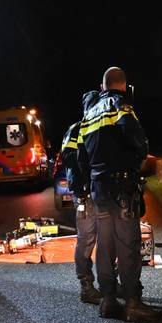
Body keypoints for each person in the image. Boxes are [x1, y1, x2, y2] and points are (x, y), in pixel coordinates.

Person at [77, 67, 160, 321]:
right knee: (128, 244)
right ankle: (133, 302)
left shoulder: (88, 115)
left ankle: (108, 300)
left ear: (102, 86)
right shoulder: (121, 106)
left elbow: (81, 156)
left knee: (105, 244)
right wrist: (135, 162)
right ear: (123, 86)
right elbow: (139, 141)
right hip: (122, 187)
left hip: (98, 190)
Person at [60, 119, 101, 304]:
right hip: (87, 193)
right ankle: (87, 287)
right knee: (87, 240)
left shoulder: (97, 124)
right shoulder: (78, 129)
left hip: (97, 192)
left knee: (107, 239)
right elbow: (69, 157)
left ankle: (107, 285)